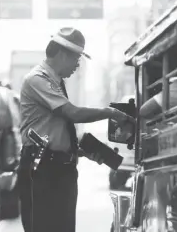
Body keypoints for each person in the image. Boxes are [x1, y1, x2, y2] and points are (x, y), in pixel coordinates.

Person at [17, 27, 135, 232]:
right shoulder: (38, 79)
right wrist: (110, 113)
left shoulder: (55, 82)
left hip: (60, 169)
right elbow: (73, 113)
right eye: (76, 59)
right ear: (63, 54)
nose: (77, 66)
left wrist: (80, 150)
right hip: (41, 169)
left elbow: (54, 131)